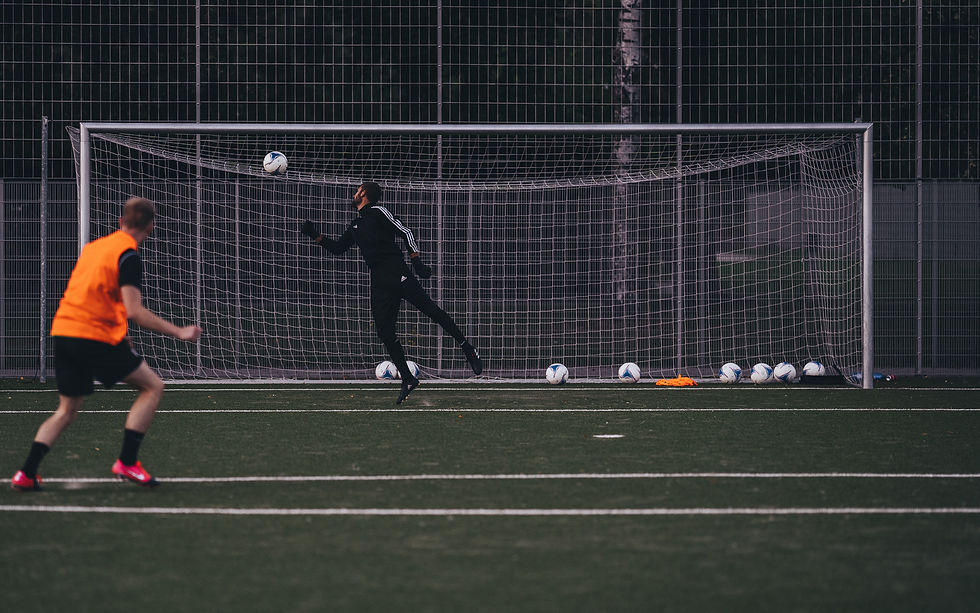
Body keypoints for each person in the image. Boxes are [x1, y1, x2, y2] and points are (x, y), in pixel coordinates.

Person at [10, 197, 202, 491]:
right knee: (153, 387)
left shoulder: (95, 248)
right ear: (150, 227)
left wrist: (115, 329)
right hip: (92, 337)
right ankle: (126, 462)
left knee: (66, 411)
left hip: (64, 333)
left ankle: (26, 473)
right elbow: (134, 311)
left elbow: (93, 293)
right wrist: (179, 332)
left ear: (121, 221)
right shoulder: (128, 256)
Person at [301, 182, 482, 404]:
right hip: (379, 282)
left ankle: (468, 348)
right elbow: (339, 249)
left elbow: (405, 231)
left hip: (397, 273)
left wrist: (417, 263)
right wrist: (315, 235)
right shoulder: (356, 225)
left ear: (365, 194)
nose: (355, 193)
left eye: (358, 190)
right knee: (385, 332)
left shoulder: (378, 212)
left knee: (431, 311)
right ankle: (407, 379)